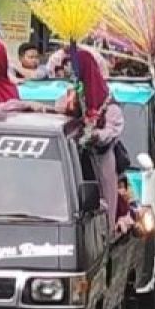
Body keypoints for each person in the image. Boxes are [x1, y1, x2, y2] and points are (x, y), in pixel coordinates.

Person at [60, 48, 125, 222]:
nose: (68, 72)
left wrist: (94, 135)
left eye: (73, 67)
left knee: (104, 202)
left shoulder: (106, 101)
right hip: (72, 161)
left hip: (100, 161)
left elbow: (113, 130)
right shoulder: (71, 94)